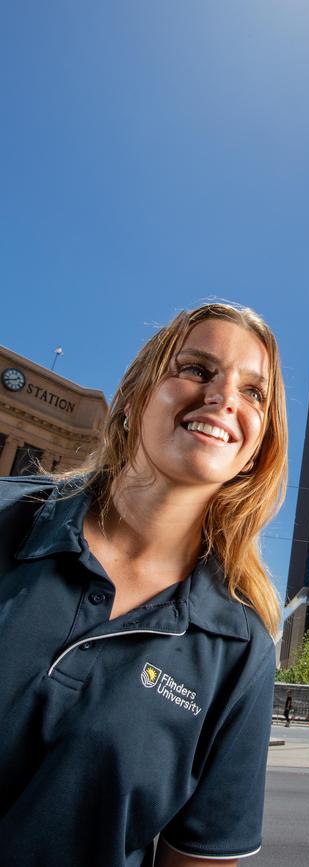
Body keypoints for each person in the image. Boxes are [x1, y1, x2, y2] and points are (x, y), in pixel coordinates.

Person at [0, 302, 288, 867]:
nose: (224, 397)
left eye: (254, 393)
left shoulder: (240, 647)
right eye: (198, 370)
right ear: (134, 398)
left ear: (257, 447)